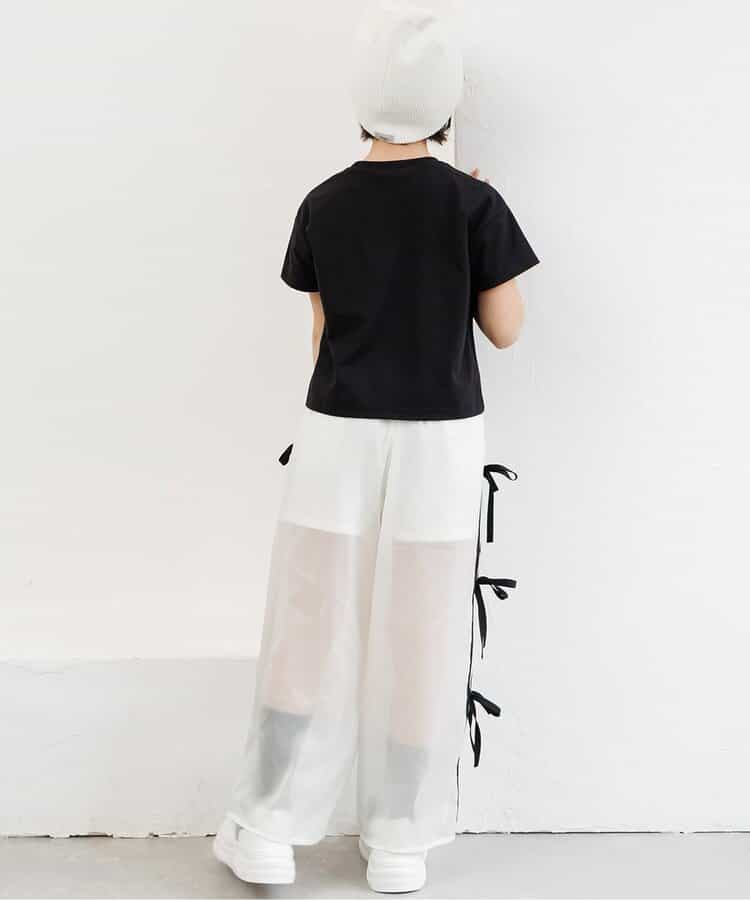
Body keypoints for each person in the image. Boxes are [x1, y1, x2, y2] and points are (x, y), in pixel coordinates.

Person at [213, 2, 538, 892]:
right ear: (446, 103)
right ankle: (400, 838)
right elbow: (506, 329)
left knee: (310, 622)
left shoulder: (323, 202)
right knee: (421, 628)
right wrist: (467, 231)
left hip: (336, 432)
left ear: (361, 100)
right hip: (440, 444)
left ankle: (269, 827)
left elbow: (321, 339)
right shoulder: (474, 203)